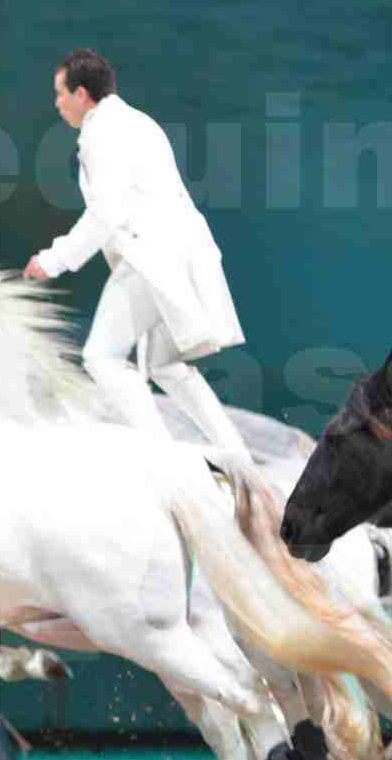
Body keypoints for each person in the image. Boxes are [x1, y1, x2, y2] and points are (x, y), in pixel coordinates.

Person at [24, 49, 250, 456]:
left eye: (60, 93)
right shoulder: (135, 122)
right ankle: (238, 456)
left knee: (102, 357)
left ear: (81, 94)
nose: (57, 103)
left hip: (153, 259)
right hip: (173, 256)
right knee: (167, 366)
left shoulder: (102, 133)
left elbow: (106, 213)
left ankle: (167, 462)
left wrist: (52, 260)